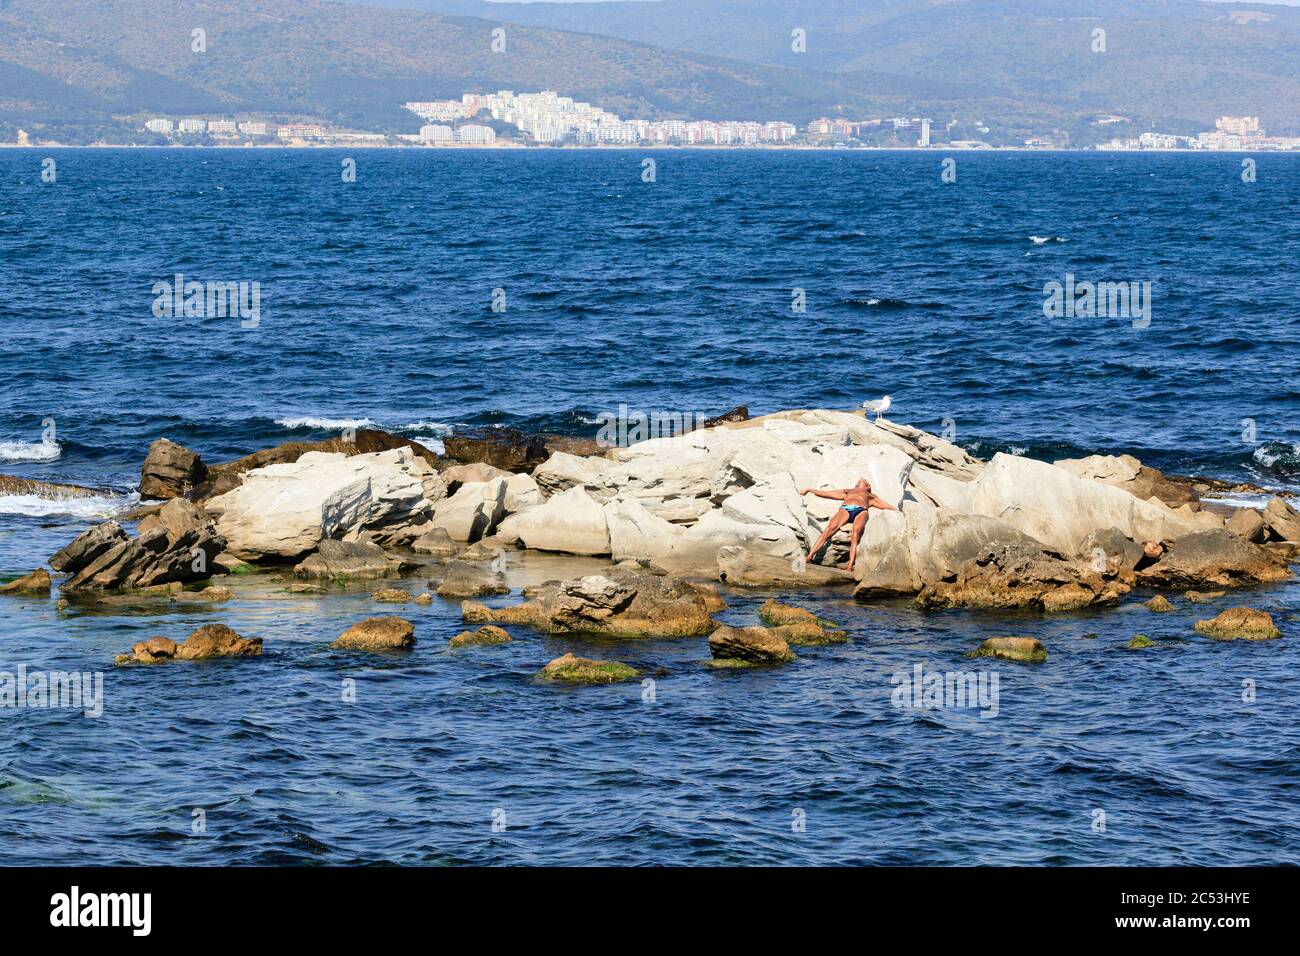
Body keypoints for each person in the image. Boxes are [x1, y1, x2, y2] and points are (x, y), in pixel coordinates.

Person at [799, 478, 898, 569]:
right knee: (828, 530)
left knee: (855, 535)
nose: (861, 479)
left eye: (865, 481)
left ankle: (850, 565)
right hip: (845, 509)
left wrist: (898, 510)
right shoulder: (848, 491)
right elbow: (826, 493)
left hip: (861, 510)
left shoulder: (870, 496)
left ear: (868, 487)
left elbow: (886, 505)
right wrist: (810, 490)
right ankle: (809, 556)